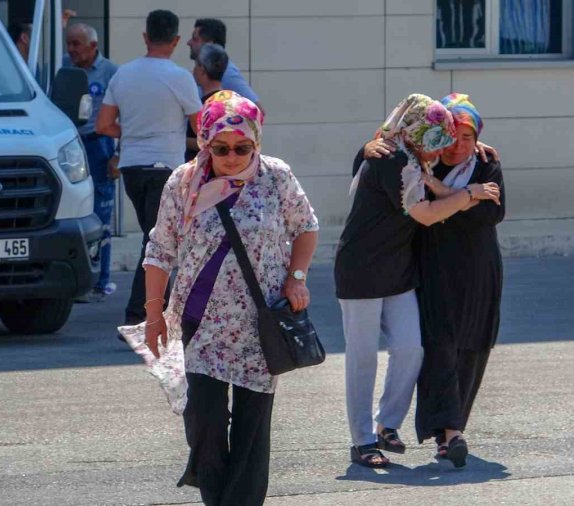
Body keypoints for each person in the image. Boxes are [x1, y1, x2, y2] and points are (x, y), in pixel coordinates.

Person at [141, 90, 318, 505]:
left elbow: (306, 226)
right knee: (203, 422)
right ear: (206, 143)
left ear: (257, 142)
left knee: (252, 431)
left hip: (260, 325)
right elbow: (160, 250)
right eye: (221, 148)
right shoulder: (183, 183)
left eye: (243, 147)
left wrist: (296, 277)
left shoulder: (276, 177)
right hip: (200, 324)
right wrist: (153, 315)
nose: (233, 155)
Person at [335, 94, 501, 468]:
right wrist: (470, 194)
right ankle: (362, 441)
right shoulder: (391, 158)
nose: (447, 146)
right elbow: (425, 215)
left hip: (399, 271)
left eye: (459, 138)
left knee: (411, 349)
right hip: (362, 270)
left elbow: (442, 115)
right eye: (441, 138)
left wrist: (473, 145)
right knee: (362, 360)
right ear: (418, 135)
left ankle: (386, 425)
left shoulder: (412, 156)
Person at [96, 9, 202, 330]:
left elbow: (103, 125)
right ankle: (139, 315)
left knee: (155, 239)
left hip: (132, 168)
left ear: (145, 37)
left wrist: (132, 132)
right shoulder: (180, 77)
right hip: (165, 169)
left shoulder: (123, 74)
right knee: (156, 243)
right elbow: (201, 127)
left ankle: (164, 312)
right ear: (175, 40)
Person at [414, 94, 504, 468]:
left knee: (471, 348)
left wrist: (445, 196)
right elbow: (423, 216)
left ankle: (453, 431)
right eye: (451, 135)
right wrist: (467, 198)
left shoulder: (486, 164)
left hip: (478, 272)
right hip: (433, 271)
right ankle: (448, 431)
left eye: (467, 137)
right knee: (439, 347)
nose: (459, 146)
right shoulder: (421, 163)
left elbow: (491, 213)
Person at [65, 23, 119, 301]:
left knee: (101, 215)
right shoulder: (64, 70)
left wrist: (117, 155)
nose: (71, 49)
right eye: (69, 43)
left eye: (77, 44)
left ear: (93, 46)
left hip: (99, 145)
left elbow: (126, 115)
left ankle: (102, 279)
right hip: (71, 146)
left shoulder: (111, 73)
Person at [186, 18, 263, 111]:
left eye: (195, 39)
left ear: (209, 44)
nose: (189, 42)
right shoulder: (207, 70)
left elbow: (256, 109)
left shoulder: (226, 71)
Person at [185, 43, 228, 163]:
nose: (193, 70)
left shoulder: (208, 105)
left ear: (203, 70)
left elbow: (213, 143)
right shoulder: (227, 101)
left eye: (196, 65)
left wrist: (180, 140)